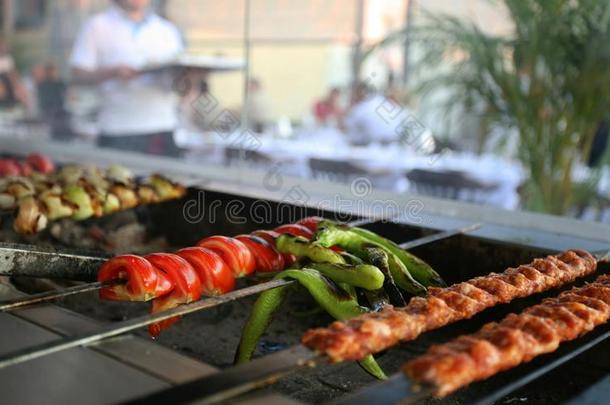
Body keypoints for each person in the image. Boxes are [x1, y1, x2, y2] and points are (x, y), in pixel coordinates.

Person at [70, 0, 184, 156]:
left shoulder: (166, 30)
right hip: (118, 129)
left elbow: (180, 85)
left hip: (162, 128)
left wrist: (192, 78)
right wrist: (113, 72)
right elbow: (78, 76)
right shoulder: (97, 25)